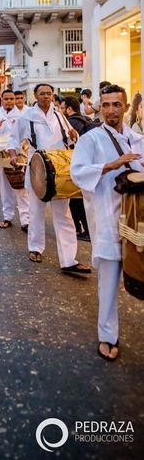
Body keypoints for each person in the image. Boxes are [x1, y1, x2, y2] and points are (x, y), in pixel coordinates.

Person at [70, 84, 144, 362]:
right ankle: (108, 335)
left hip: (138, 221)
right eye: (106, 105)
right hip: (109, 218)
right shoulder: (91, 140)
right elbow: (77, 172)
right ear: (99, 108)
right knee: (109, 283)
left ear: (126, 107)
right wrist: (113, 165)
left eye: (117, 104)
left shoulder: (138, 139)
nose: (111, 110)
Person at [7, 83, 91, 275]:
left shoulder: (60, 116)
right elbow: (13, 139)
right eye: (42, 93)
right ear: (35, 96)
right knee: (36, 212)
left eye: (49, 94)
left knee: (64, 215)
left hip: (60, 170)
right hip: (37, 169)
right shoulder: (26, 117)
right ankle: (35, 248)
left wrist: (74, 135)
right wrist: (13, 154)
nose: (46, 96)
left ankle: (69, 260)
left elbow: (72, 138)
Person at [0, 90, 30, 231]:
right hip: (1, 155)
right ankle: (8, 217)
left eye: (11, 99)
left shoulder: (23, 115)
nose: (9, 101)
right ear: (1, 99)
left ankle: (25, 220)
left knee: (21, 187)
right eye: (6, 99)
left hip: (18, 154)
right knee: (4, 187)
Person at [60, 96, 95, 241]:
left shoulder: (70, 123)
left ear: (69, 109)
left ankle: (83, 230)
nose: (60, 111)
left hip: (75, 163)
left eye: (62, 108)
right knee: (81, 200)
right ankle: (87, 230)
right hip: (88, 163)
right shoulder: (85, 119)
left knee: (75, 200)